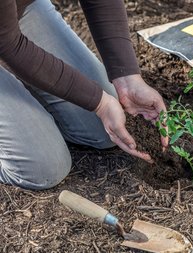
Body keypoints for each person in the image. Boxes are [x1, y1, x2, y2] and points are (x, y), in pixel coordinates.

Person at [0, 0, 168, 190]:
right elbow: (8, 44)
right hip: (5, 37)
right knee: (43, 168)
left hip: (17, 12)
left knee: (103, 129)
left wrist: (128, 78)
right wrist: (100, 103)